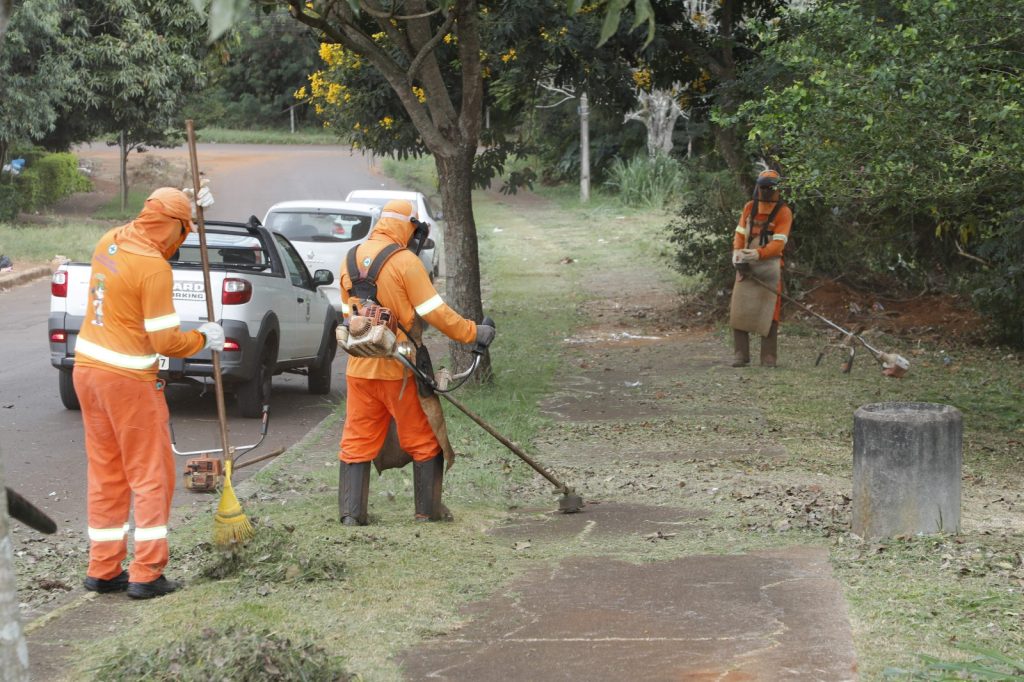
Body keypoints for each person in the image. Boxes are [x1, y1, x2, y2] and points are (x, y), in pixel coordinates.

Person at [74, 186, 223, 599]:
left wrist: (185, 203)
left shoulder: (111, 240)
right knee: (151, 475)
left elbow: (161, 214)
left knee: (107, 472)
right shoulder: (155, 269)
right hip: (127, 382)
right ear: (172, 228)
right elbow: (164, 342)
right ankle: (146, 574)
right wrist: (201, 338)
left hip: (87, 372)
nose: (183, 242)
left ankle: (103, 569)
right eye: (183, 232)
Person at [336, 199, 495, 525]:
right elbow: (436, 312)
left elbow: (348, 318)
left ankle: (352, 516)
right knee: (424, 439)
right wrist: (473, 332)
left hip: (360, 369)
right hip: (401, 369)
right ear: (408, 226)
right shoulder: (406, 262)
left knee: (356, 440)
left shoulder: (349, 259)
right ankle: (428, 511)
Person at [729, 169, 793, 368]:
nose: (766, 191)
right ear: (758, 186)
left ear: (777, 189)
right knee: (738, 309)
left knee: (770, 313)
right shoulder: (749, 207)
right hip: (746, 264)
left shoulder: (784, 211)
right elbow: (740, 233)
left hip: (770, 266)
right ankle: (741, 355)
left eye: (770, 187)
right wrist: (737, 252)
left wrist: (759, 253)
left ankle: (768, 358)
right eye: (763, 186)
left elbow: (779, 243)